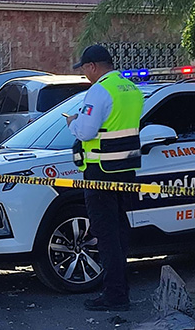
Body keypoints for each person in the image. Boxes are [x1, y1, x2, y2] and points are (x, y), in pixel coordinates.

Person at [65, 45, 143, 312]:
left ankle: (115, 295)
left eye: (85, 69)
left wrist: (72, 123)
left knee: (106, 235)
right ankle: (121, 289)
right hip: (126, 170)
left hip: (100, 173)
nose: (85, 74)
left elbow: (86, 132)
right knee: (120, 232)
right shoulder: (130, 88)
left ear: (93, 67)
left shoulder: (99, 90)